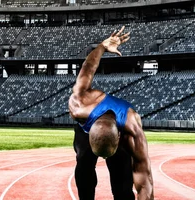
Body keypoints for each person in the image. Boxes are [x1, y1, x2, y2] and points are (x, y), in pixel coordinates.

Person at [69, 26, 154, 200]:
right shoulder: (79, 105)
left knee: (123, 185)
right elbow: (88, 67)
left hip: (118, 129)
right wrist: (102, 47)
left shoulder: (132, 127)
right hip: (86, 130)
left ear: (119, 138)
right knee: (84, 167)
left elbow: (144, 179)